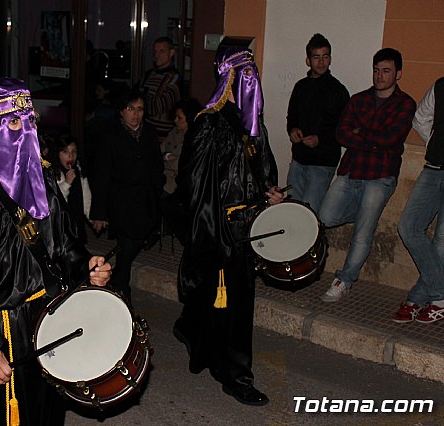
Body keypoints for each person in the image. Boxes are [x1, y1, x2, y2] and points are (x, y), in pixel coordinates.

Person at [0, 78, 112, 425]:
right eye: (14, 121)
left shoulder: (42, 180)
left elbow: (63, 244)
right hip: (3, 327)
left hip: (49, 317)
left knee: (48, 410)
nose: (25, 129)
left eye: (30, 120)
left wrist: (85, 265)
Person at [172, 47, 283, 406]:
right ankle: (234, 374)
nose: (252, 78)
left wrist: (271, 193)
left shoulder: (255, 124)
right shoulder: (208, 123)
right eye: (244, 72)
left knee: (235, 305)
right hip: (222, 229)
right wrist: (213, 232)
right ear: (230, 77)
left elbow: (263, 170)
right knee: (223, 300)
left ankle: (204, 341)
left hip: (250, 229)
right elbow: (193, 184)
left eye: (254, 72)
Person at [318, 48, 416, 302]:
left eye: (386, 71)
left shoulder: (405, 104)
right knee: (326, 216)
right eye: (376, 70)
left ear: (398, 73)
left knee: (363, 232)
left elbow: (390, 138)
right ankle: (364, 214)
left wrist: (359, 134)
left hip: (380, 175)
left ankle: (345, 280)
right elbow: (341, 133)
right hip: (351, 169)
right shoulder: (358, 99)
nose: (380, 76)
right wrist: (370, 139)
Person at [90, 89, 165, 303]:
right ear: (122, 111)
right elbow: (101, 175)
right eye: (131, 108)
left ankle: (115, 280)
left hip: (146, 198)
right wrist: (99, 212)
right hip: (121, 200)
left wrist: (156, 189)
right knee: (127, 245)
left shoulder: (149, 132)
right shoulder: (110, 135)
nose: (135, 114)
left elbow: (156, 166)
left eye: (140, 109)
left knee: (133, 244)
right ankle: (122, 290)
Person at [393, 77, 444, 324]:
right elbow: (420, 118)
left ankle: (420, 298)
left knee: (442, 242)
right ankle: (439, 295)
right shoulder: (441, 85)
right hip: (433, 168)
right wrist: (434, 142)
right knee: (409, 227)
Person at [286, 33, 350, 214]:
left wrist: (320, 139)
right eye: (316, 57)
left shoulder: (338, 90)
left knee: (309, 214)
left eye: (325, 56)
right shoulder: (300, 86)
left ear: (330, 59)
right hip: (298, 159)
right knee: (291, 210)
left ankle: (310, 243)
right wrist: (293, 130)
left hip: (322, 163)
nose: (321, 62)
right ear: (308, 60)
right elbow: (292, 117)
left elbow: (345, 129)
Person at [159, 98, 202, 245]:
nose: (176, 121)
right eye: (175, 117)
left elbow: (180, 164)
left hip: (182, 183)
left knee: (165, 201)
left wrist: (169, 157)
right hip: (164, 177)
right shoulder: (174, 132)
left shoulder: (197, 136)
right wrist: (168, 157)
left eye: (180, 118)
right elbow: (160, 151)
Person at [49, 134, 92, 244]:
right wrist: (67, 183)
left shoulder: (78, 169)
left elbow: (86, 197)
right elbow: (53, 202)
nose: (71, 156)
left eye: (74, 152)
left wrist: (93, 218)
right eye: (65, 152)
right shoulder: (52, 173)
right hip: (60, 225)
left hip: (76, 222)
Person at [135, 36, 181, 138]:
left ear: (171, 53)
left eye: (162, 51)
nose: (157, 55)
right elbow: (133, 99)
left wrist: (142, 103)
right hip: (144, 132)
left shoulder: (174, 78)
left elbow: (158, 106)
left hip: (163, 136)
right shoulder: (148, 75)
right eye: (155, 51)